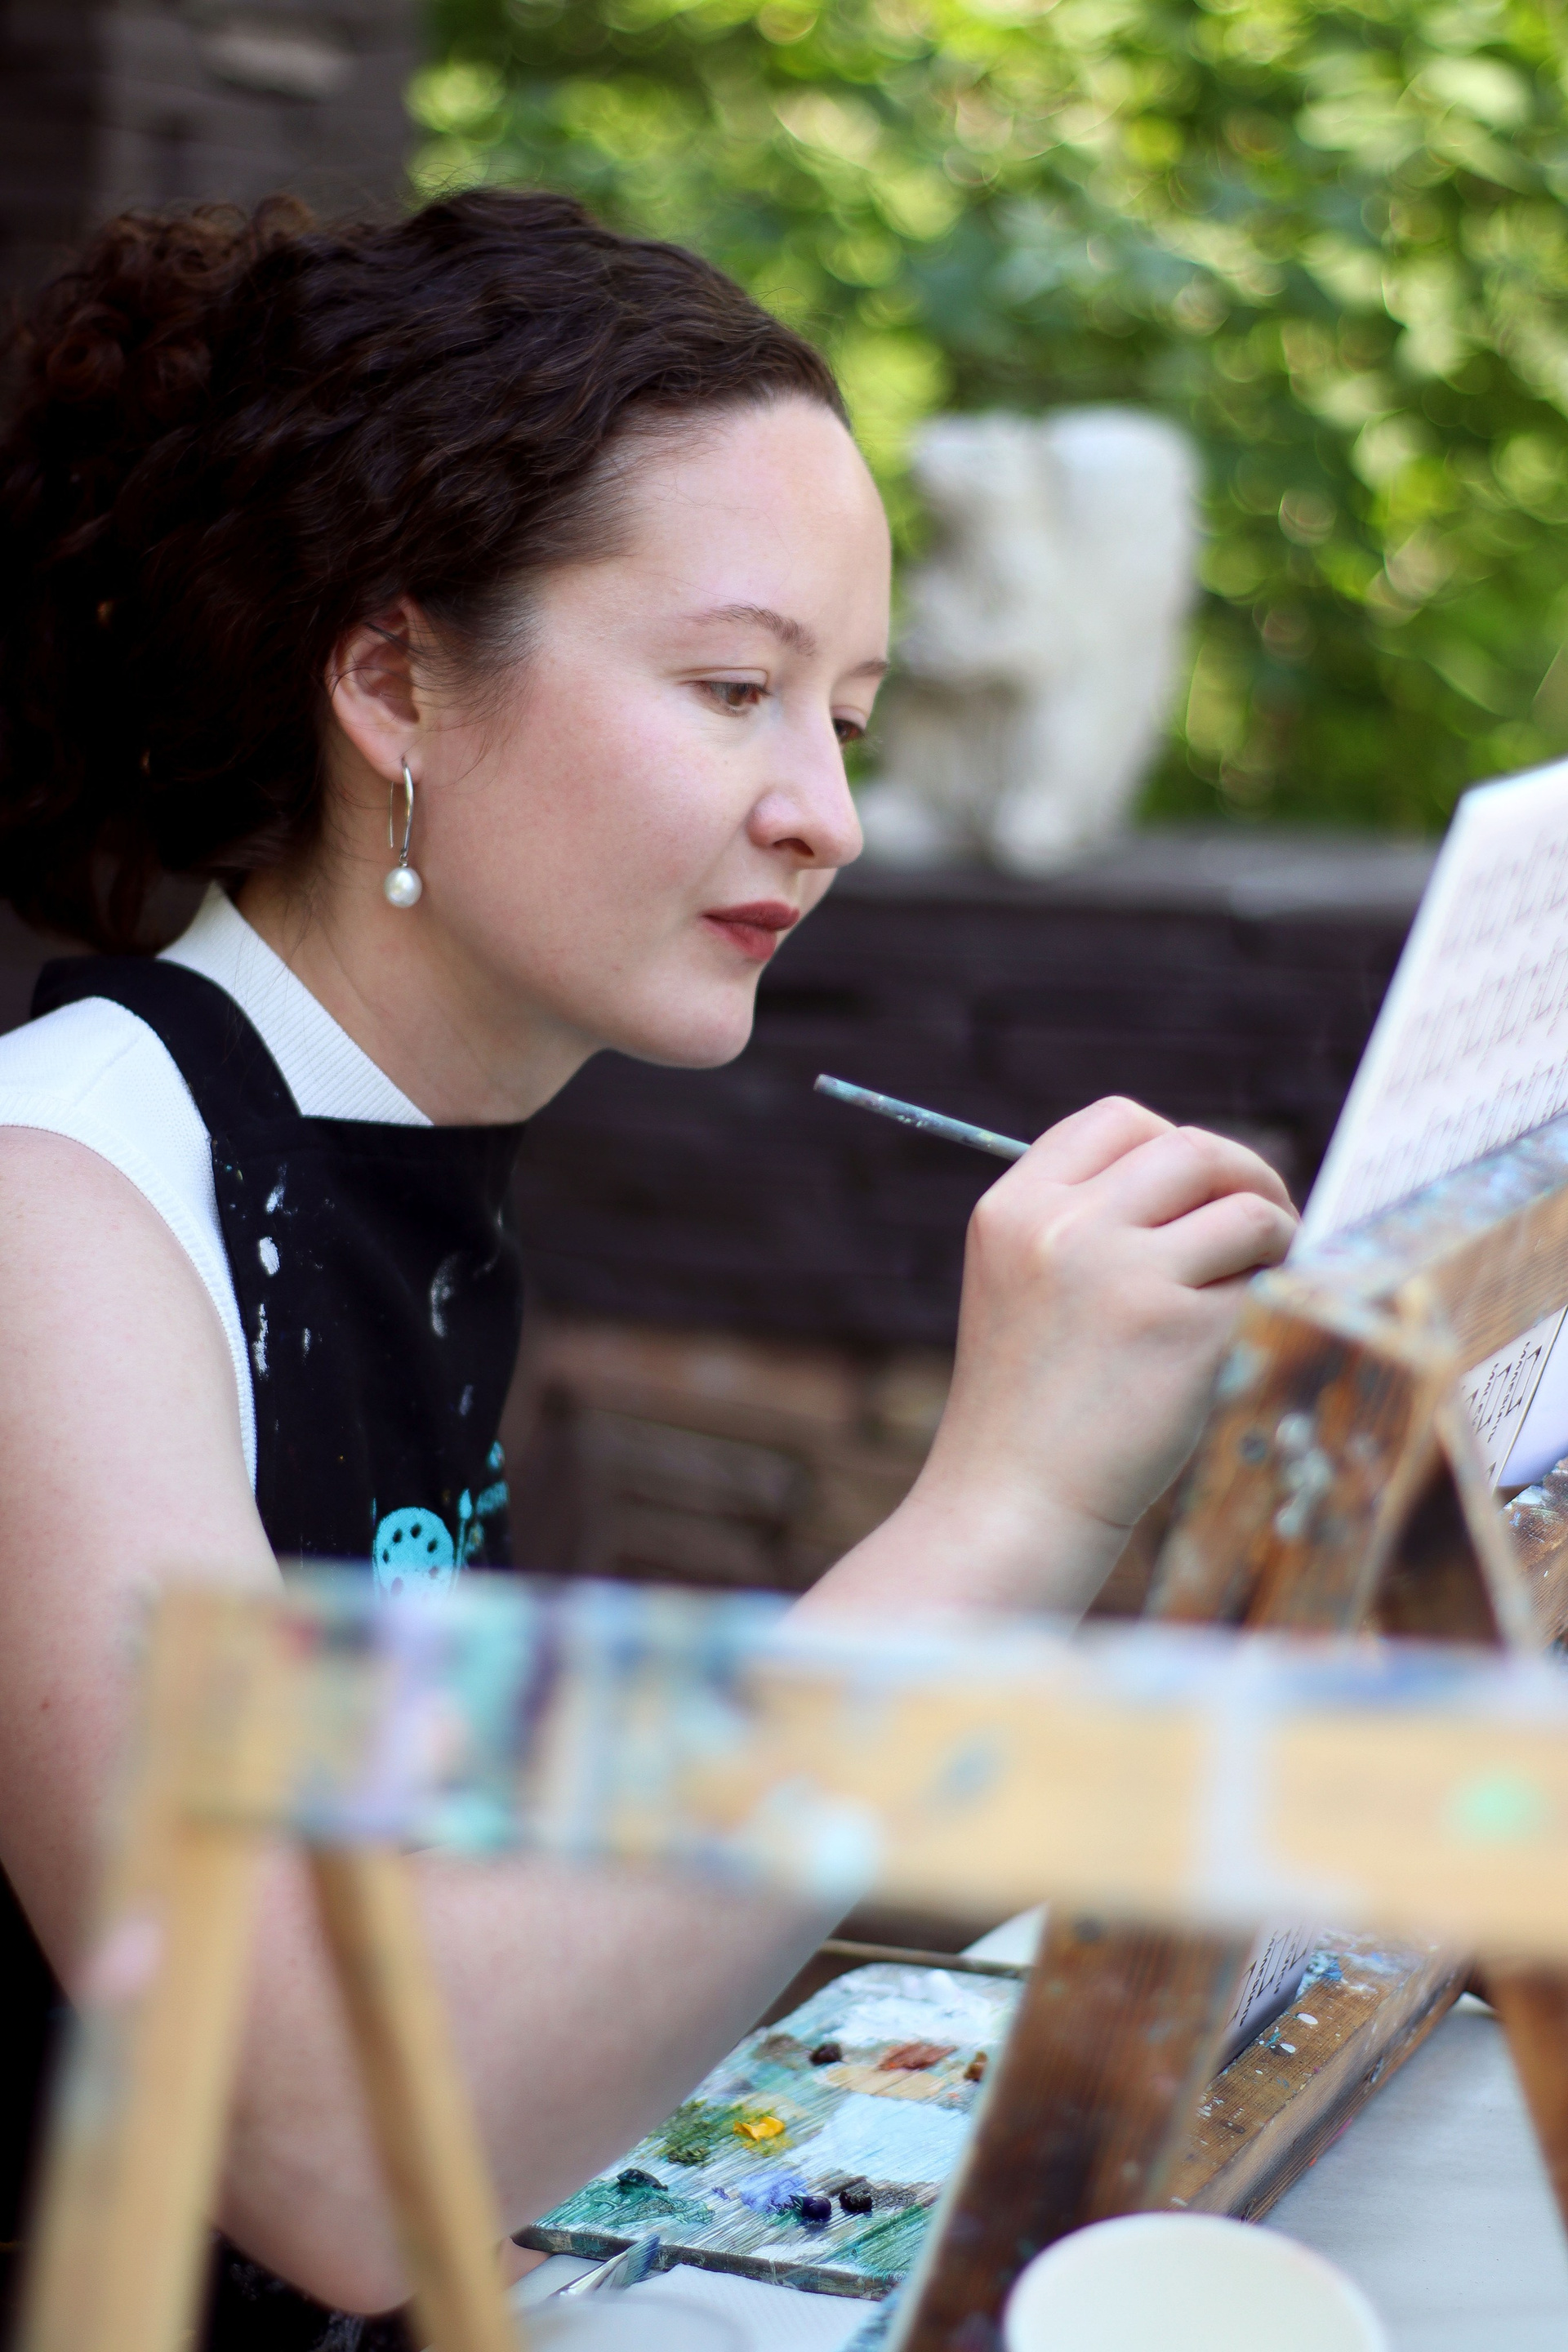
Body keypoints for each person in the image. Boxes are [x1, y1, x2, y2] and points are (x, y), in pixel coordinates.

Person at [0, 189, 1297, 2347]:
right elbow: (335, 2151)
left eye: (846, 720)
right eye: (732, 690)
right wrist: (1006, 1501)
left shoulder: (403, 1158)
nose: (826, 815)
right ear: (394, 681)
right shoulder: (60, 1204)